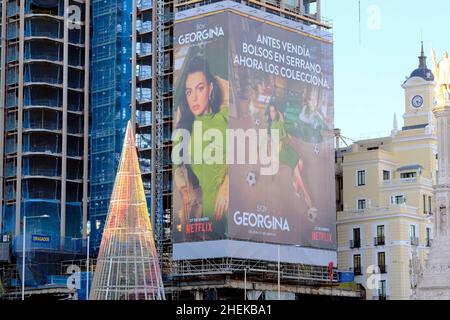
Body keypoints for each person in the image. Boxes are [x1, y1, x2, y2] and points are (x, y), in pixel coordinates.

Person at [174, 56, 229, 235]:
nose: (194, 98)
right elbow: (177, 167)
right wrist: (185, 191)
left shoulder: (224, 117)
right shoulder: (184, 129)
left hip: (228, 201)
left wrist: (228, 184)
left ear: (210, 88)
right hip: (207, 211)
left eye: (200, 88)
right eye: (189, 92)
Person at [265, 102, 317, 217]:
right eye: (270, 111)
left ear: (277, 112)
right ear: (269, 113)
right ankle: (308, 200)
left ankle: (295, 183)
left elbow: (282, 134)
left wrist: (287, 135)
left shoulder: (279, 122)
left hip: (285, 148)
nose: (272, 113)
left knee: (301, 162)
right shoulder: (272, 125)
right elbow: (276, 142)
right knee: (297, 170)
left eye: (274, 111)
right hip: (280, 152)